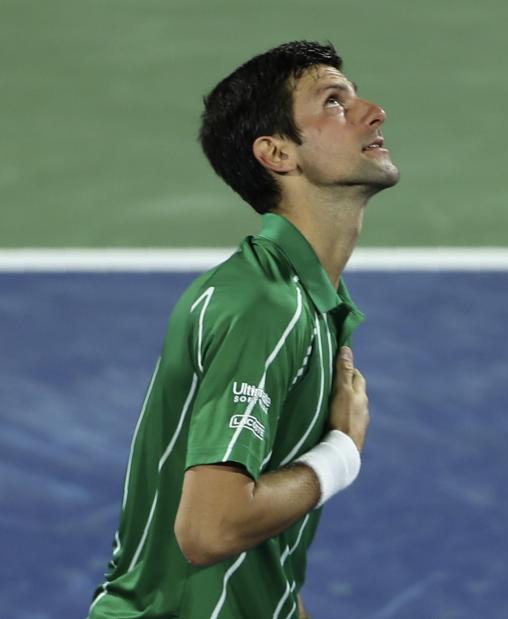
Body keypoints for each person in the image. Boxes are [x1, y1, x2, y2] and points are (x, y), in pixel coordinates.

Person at [88, 40, 399, 618]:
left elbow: (262, 554)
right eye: (334, 102)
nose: (372, 111)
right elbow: (212, 530)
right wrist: (342, 455)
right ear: (278, 153)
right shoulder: (263, 307)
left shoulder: (306, 303)